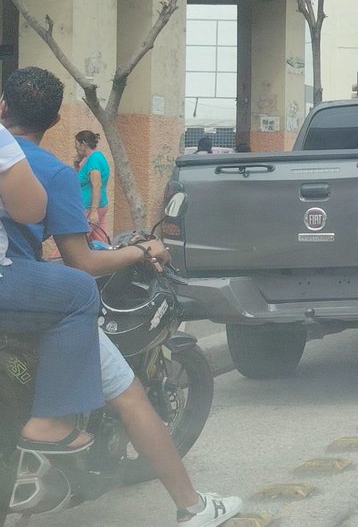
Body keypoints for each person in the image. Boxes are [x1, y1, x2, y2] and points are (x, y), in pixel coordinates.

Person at [1, 67, 242, 526]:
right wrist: (139, 251)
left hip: (18, 287)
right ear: (55, 121)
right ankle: (192, 507)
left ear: (4, 107)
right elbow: (83, 265)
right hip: (27, 297)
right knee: (131, 397)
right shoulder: (52, 172)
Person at [0, 112, 103, 454]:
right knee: (80, 291)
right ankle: (50, 421)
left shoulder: (88, 162)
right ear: (58, 119)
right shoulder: (48, 165)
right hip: (12, 275)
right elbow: (30, 210)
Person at [73, 129, 111, 245]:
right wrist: (77, 163)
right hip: (98, 205)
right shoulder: (94, 157)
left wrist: (93, 211)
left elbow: (97, 185)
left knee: (75, 242)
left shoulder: (93, 161)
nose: (76, 148)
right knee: (100, 241)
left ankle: (58, 261)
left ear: (84, 144)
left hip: (90, 207)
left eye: (76, 145)